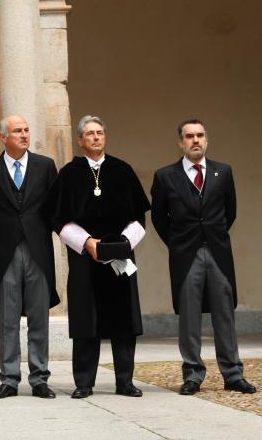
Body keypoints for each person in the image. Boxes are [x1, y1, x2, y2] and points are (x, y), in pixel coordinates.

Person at [150, 119, 256, 395]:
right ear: (180, 142)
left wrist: (213, 235)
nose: (195, 140)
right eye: (189, 136)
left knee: (224, 313)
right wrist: (178, 244)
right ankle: (193, 374)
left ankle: (233, 373)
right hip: (185, 255)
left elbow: (229, 212)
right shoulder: (165, 176)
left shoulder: (224, 172)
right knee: (189, 316)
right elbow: (160, 219)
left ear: (206, 140)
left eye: (200, 135)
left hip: (218, 253)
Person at [46, 115, 149, 399]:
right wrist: (88, 242)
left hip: (120, 257)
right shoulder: (69, 174)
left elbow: (139, 217)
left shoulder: (122, 170)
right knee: (85, 321)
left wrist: (123, 244)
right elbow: (57, 219)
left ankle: (125, 381)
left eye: (100, 133)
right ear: (80, 140)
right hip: (84, 258)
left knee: (124, 320)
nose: (95, 137)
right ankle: (84, 383)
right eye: (89, 133)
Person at [0, 115, 59, 400]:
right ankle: (9, 379)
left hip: (38, 251)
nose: (24, 135)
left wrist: (36, 232)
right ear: (3, 137)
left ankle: (40, 379)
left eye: (26, 130)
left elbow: (55, 208)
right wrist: (2, 236)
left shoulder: (45, 166)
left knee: (39, 317)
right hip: (4, 253)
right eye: (17, 131)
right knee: (8, 319)